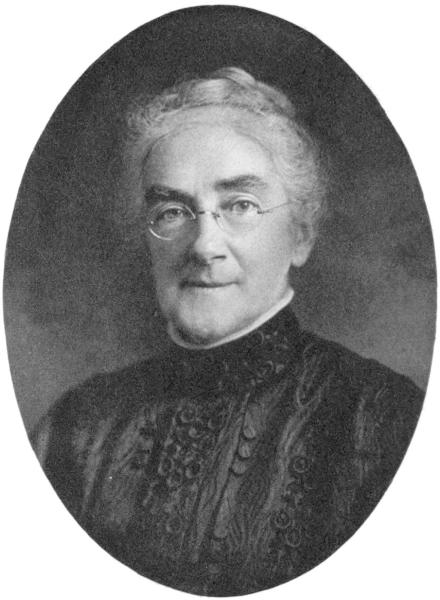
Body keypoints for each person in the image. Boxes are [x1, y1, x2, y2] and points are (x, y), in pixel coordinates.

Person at [31, 67, 423, 596]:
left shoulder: (382, 421)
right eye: (172, 211)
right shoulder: (77, 429)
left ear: (301, 235)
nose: (203, 246)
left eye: (240, 206)